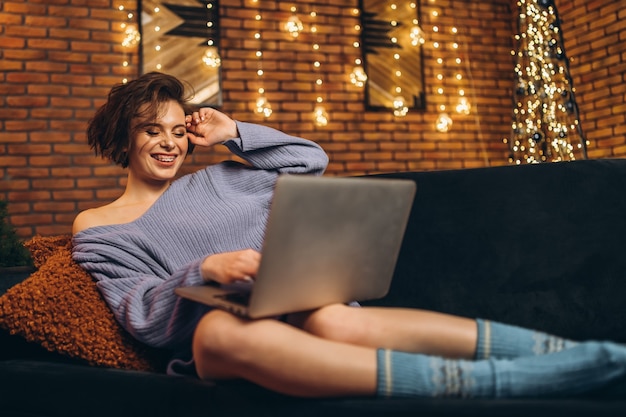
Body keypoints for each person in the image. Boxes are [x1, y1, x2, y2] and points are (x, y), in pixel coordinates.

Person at [72, 72, 626, 399]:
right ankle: (467, 382)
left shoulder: (227, 178)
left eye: (177, 131)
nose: (169, 144)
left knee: (333, 316)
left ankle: (560, 354)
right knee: (216, 332)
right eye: (152, 131)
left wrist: (233, 131)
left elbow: (308, 159)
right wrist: (205, 270)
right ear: (124, 136)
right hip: (222, 337)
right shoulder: (99, 224)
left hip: (303, 309)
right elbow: (137, 309)